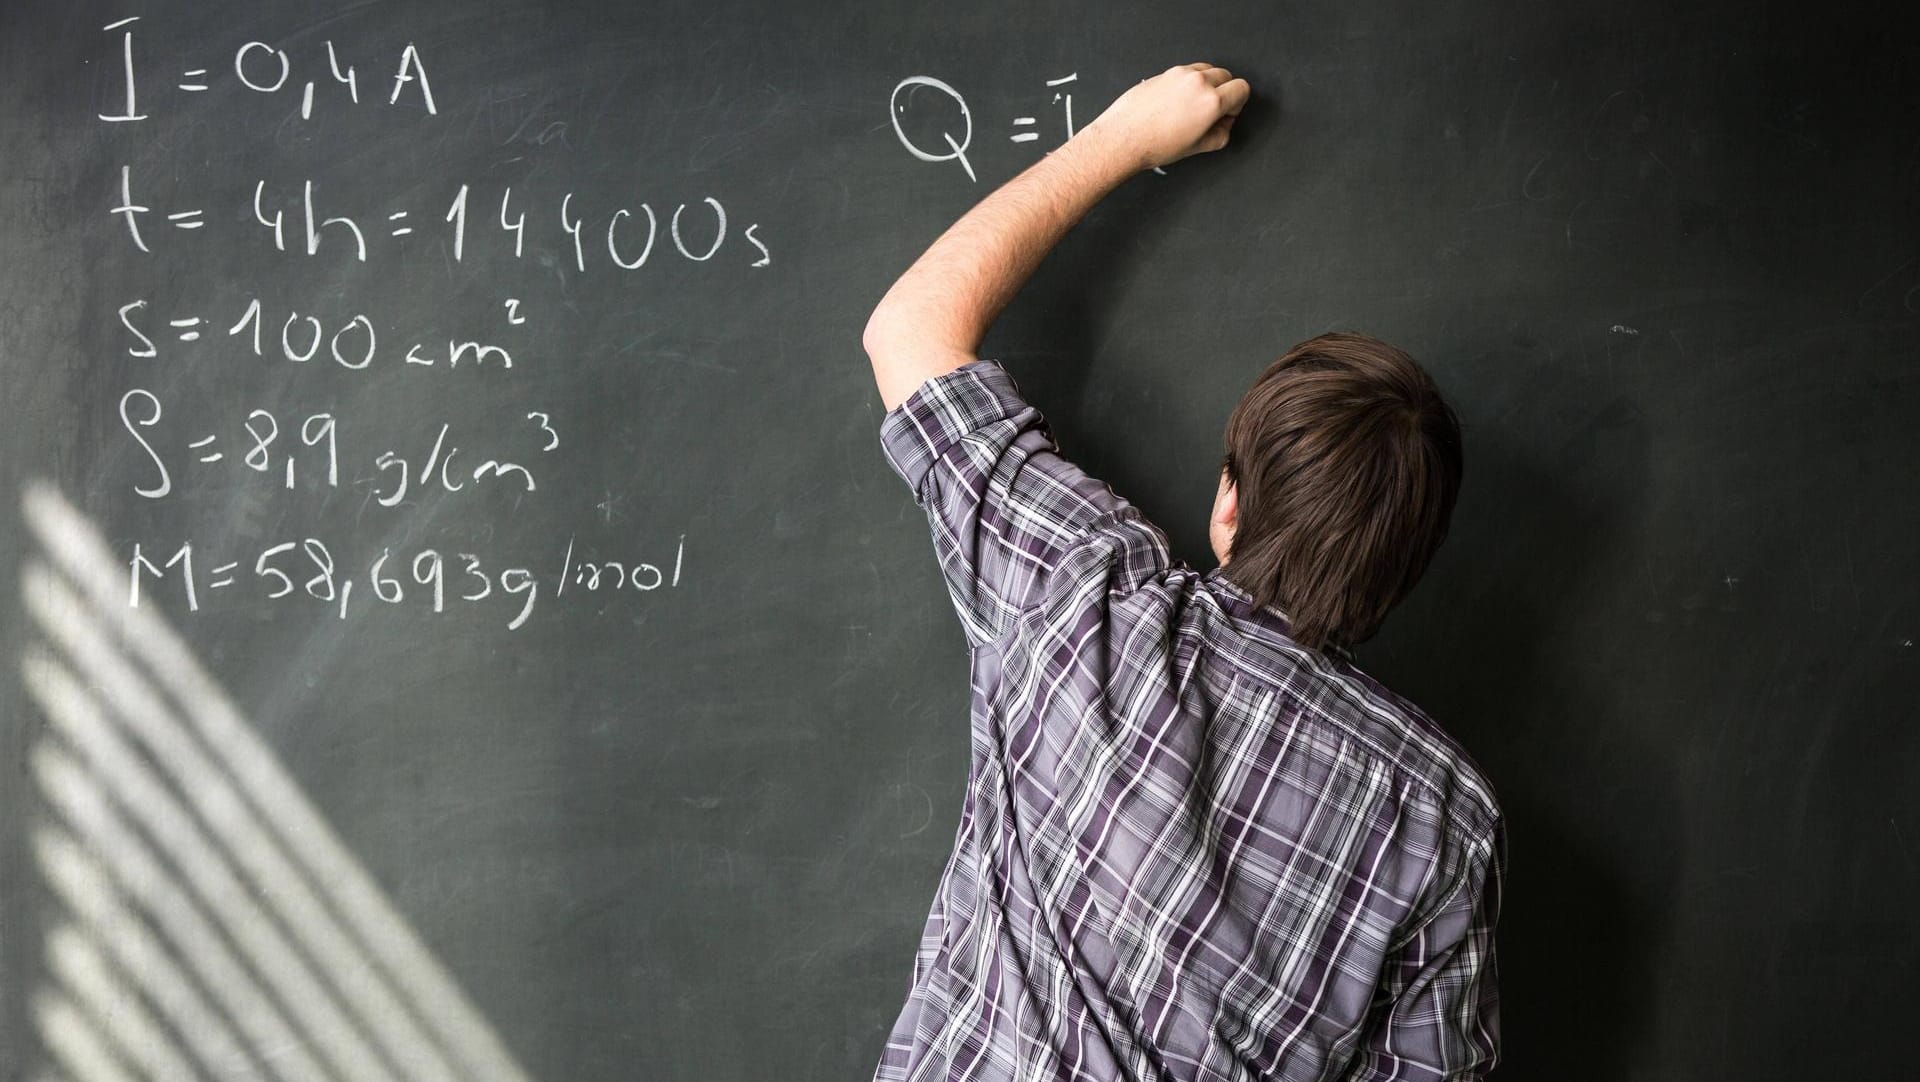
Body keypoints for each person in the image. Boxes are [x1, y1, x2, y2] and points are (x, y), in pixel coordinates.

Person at [862, 62, 1506, 1082]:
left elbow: (909, 333)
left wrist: (1123, 135)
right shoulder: (1442, 817)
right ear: (1400, 572)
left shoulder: (1085, 594)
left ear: (1229, 504)